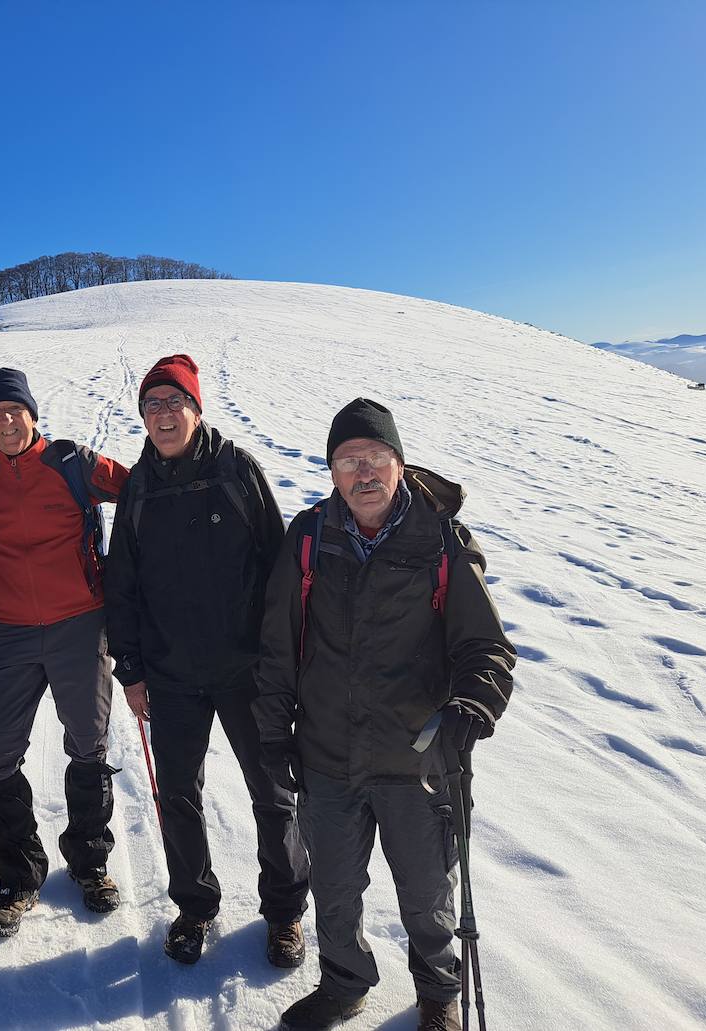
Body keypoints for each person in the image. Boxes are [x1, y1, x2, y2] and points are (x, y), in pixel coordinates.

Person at [254, 398, 515, 1031]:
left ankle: (438, 992)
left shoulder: (441, 541)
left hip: (417, 758)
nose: (362, 474)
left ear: (398, 464)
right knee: (335, 893)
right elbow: (277, 643)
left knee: (427, 898)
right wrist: (272, 733)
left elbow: (486, 647)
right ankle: (345, 983)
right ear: (332, 473)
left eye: (374, 459)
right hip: (327, 754)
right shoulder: (311, 536)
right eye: (347, 463)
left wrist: (472, 703)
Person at [104, 354, 309, 967]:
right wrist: (132, 670)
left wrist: (284, 661)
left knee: (273, 795)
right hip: (170, 676)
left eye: (175, 403)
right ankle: (194, 905)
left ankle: (285, 914)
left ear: (196, 409)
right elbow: (123, 587)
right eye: (152, 406)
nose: (164, 416)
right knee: (178, 797)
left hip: (247, 670)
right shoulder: (138, 487)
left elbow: (279, 568)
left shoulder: (235, 470)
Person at [0, 367, 130, 937]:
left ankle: (90, 862)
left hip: (80, 623)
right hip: (12, 631)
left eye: (14, 411)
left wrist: (126, 568)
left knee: (88, 747)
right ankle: (20, 874)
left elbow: (138, 488)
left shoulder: (72, 463)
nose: (5, 422)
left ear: (32, 413)